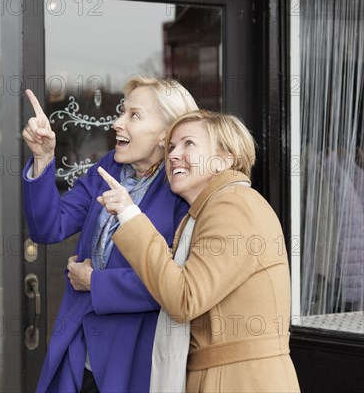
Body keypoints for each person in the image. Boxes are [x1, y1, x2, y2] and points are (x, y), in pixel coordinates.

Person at [97, 109, 301, 392]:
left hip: (237, 381)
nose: (173, 155)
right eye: (171, 147)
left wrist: (131, 216)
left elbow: (183, 298)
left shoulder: (232, 206)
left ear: (223, 160)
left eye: (188, 144)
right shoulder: (212, 208)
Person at [21, 76, 198, 392]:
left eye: (134, 115)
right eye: (122, 112)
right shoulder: (110, 169)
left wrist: (96, 283)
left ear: (165, 134)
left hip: (133, 356)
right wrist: (43, 159)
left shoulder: (181, 192)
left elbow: (177, 286)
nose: (117, 123)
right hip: (79, 343)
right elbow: (49, 227)